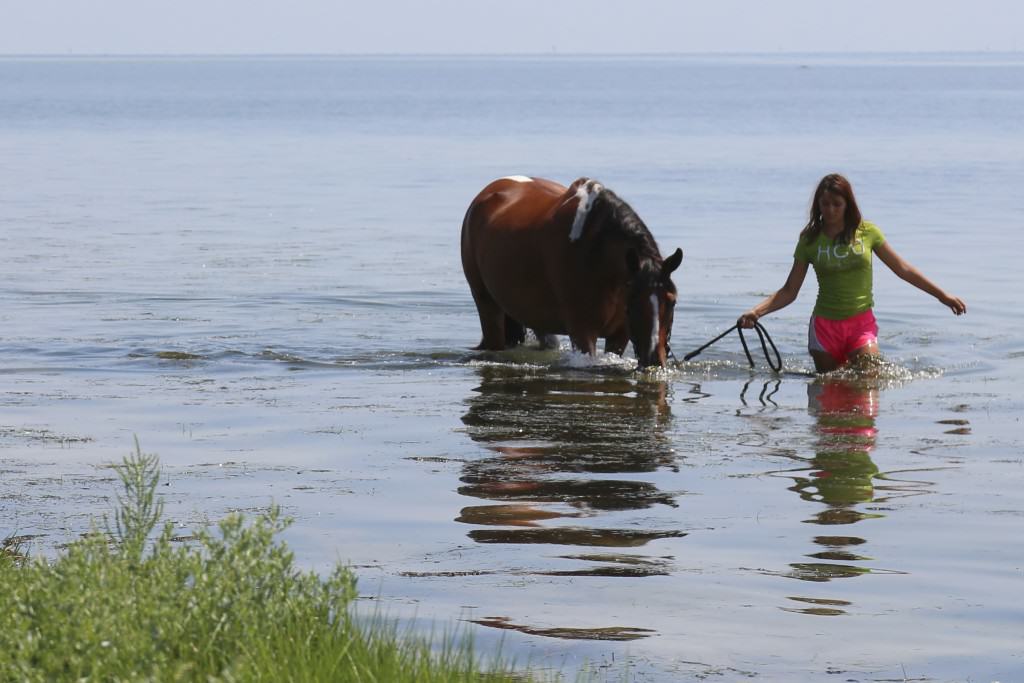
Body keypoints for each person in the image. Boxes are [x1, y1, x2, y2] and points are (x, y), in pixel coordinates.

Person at [738, 174, 966, 373]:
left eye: (837, 204)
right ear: (818, 205)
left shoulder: (867, 232)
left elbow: (903, 269)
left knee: (869, 379)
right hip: (824, 329)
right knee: (829, 398)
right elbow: (790, 290)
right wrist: (756, 312)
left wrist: (942, 296)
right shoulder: (810, 240)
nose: (830, 210)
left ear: (848, 204)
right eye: (825, 204)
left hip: (860, 324)